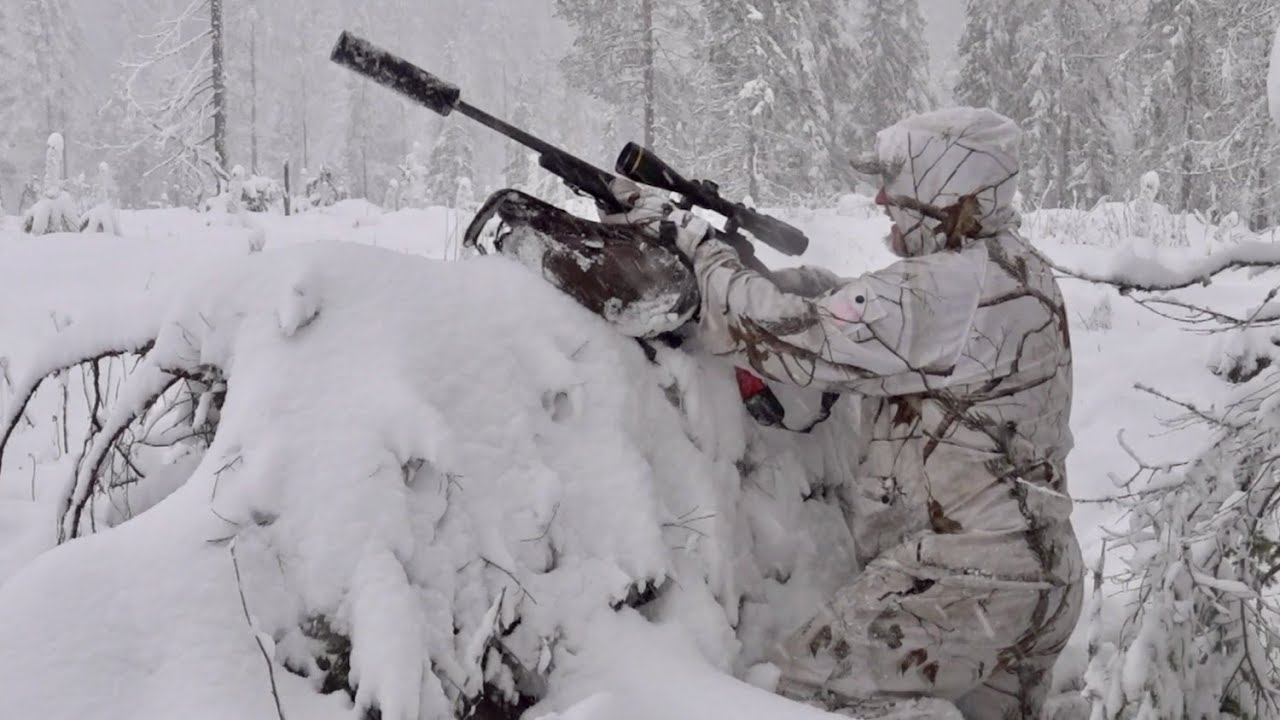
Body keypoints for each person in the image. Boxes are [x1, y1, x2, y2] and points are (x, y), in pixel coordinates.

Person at [601, 107, 1084, 720]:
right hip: (1044, 577)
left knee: (810, 692)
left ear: (942, 187)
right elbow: (882, 316)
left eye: (898, 183)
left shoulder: (942, 289)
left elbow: (794, 337)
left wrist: (695, 248)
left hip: (968, 582)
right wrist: (795, 281)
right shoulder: (1015, 269)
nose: (882, 197)